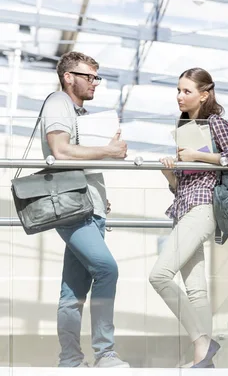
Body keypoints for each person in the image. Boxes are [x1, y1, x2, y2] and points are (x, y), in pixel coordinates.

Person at [149, 67, 228, 368]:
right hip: (183, 209)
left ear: (204, 94)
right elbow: (182, 186)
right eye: (178, 91)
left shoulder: (214, 122)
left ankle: (202, 341)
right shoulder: (184, 127)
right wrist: (170, 168)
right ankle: (203, 360)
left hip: (204, 208)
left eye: (187, 91)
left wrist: (196, 156)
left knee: (159, 275)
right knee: (195, 289)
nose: (180, 96)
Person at [40, 51, 130, 369]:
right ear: (68, 77)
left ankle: (70, 360)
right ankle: (104, 352)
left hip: (88, 206)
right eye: (88, 76)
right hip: (71, 207)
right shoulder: (58, 102)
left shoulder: (81, 112)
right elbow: (60, 150)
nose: (94, 82)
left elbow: (77, 157)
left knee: (73, 290)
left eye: (96, 77)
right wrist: (108, 150)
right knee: (107, 269)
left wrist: (97, 195)